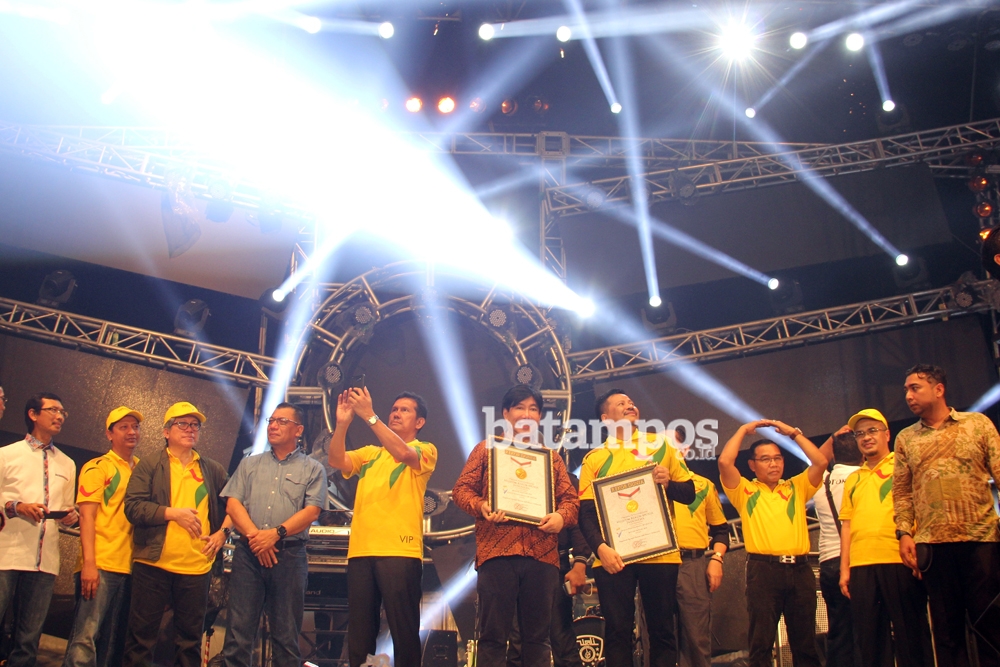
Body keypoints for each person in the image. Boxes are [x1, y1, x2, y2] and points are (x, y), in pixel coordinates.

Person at [452, 385, 578, 667]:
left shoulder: (551, 458)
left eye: (533, 409)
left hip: (542, 556)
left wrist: (560, 518)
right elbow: (461, 490)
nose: (527, 414)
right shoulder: (486, 450)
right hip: (497, 553)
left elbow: (571, 501)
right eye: (520, 407)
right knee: (493, 637)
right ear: (506, 413)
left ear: (540, 416)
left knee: (538, 638)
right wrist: (482, 506)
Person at [577, 390, 695, 667]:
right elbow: (586, 514)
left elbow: (689, 493)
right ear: (605, 418)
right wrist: (601, 549)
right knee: (617, 632)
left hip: (660, 553)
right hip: (613, 557)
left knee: (663, 631)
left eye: (631, 402)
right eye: (621, 403)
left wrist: (668, 483)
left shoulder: (662, 445)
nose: (630, 405)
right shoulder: (594, 458)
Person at [893, 364, 1000, 666]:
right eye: (906, 390)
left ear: (938, 389)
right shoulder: (905, 438)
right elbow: (902, 492)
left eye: (915, 388)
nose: (908, 395)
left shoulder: (977, 424)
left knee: (991, 624)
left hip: (981, 539)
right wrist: (904, 533)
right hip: (934, 545)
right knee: (946, 631)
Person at [329, 388, 438, 667]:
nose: (396, 413)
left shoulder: (425, 449)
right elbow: (336, 461)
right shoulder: (370, 453)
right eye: (394, 409)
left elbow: (402, 452)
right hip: (361, 551)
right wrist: (341, 425)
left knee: (404, 632)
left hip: (400, 551)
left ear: (419, 422)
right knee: (360, 634)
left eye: (405, 410)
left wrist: (369, 415)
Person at [123, 401, 232, 667]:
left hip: (196, 567)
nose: (190, 429)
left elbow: (236, 505)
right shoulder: (150, 465)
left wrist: (222, 534)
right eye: (182, 424)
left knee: (189, 642)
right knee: (141, 639)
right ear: (166, 431)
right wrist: (173, 514)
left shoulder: (212, 469)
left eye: (195, 425)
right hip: (153, 564)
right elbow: (133, 507)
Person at [221, 402, 328, 667]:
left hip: (289, 557)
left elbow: (312, 511)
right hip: (248, 554)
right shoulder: (250, 463)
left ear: (298, 430)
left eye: (282, 421)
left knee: (286, 638)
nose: (273, 426)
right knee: (237, 635)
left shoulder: (313, 468)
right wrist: (258, 538)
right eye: (271, 421)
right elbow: (233, 504)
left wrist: (276, 534)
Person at [718, 419, 828, 667]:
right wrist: (742, 430)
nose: (774, 464)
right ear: (752, 465)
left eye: (778, 458)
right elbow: (724, 462)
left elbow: (821, 462)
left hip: (800, 570)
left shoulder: (796, 487)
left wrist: (793, 434)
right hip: (763, 571)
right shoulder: (745, 490)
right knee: (762, 642)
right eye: (766, 459)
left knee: (806, 643)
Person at [837, 408, 933, 667]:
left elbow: (921, 508)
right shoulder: (853, 479)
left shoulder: (902, 466)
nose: (866, 437)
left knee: (911, 636)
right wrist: (845, 568)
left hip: (899, 559)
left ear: (887, 434)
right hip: (861, 566)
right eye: (860, 434)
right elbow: (847, 524)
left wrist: (921, 552)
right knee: (870, 642)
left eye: (872, 431)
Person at [0, 392, 78, 667]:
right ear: (33, 414)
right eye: (53, 410)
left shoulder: (67, 463)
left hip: (45, 560)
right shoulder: (7, 454)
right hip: (7, 553)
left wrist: (70, 516)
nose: (59, 417)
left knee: (29, 637)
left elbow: (67, 507)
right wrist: (17, 506)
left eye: (62, 412)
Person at [63, 407, 143, 667]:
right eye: (123, 427)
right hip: (101, 564)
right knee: (84, 639)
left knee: (111, 644)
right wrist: (89, 564)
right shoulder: (98, 467)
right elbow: (86, 517)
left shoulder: (143, 469)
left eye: (135, 427)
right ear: (109, 434)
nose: (131, 432)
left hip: (131, 567)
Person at [506, 466, 591, 667]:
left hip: (554, 563)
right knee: (516, 641)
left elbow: (577, 524)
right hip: (514, 562)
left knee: (561, 638)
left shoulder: (564, 479)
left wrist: (580, 563)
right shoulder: (507, 474)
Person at [671, 433, 728, 667]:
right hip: (655, 565)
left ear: (685, 449)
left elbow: (721, 530)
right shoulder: (645, 484)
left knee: (697, 637)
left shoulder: (703, 485)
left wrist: (717, 559)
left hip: (692, 564)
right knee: (659, 637)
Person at [811, 426, 861, 667]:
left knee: (839, 631)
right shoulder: (867, 476)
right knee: (870, 629)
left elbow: (816, 461)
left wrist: (832, 438)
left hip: (830, 562)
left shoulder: (821, 481)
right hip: (862, 559)